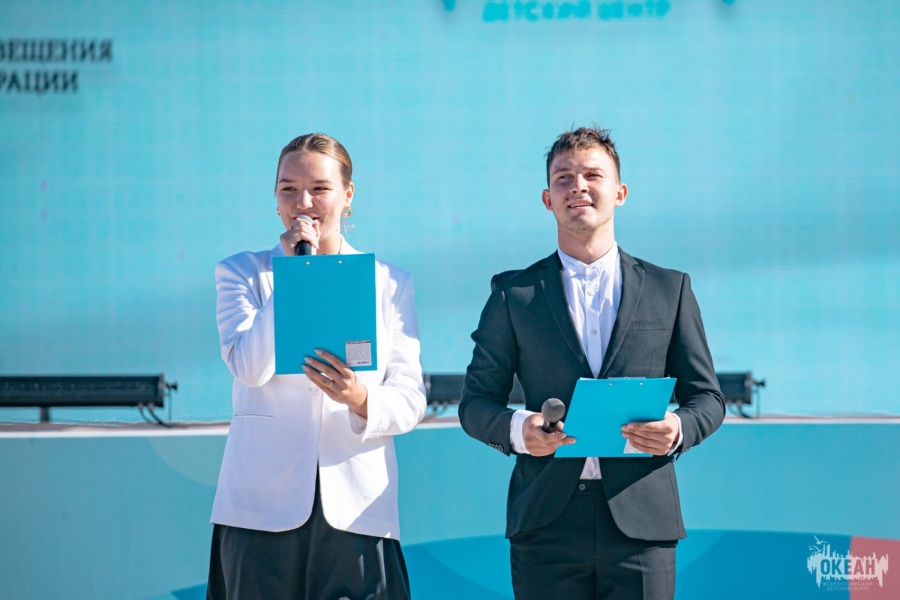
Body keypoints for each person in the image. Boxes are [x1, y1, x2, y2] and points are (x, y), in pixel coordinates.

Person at [458, 126, 725, 599]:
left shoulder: (670, 289)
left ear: (620, 193)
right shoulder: (513, 294)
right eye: (563, 178)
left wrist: (677, 428)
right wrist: (520, 430)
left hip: (643, 523)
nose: (577, 186)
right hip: (546, 524)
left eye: (592, 175)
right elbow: (476, 403)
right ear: (547, 199)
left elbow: (707, 398)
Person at [207, 133, 426, 599]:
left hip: (358, 509)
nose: (303, 203)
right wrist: (293, 277)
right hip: (260, 509)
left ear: (348, 195)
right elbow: (250, 367)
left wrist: (359, 398)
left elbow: (410, 401)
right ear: (275, 199)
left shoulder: (389, 283)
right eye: (288, 189)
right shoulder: (242, 273)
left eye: (319, 188)